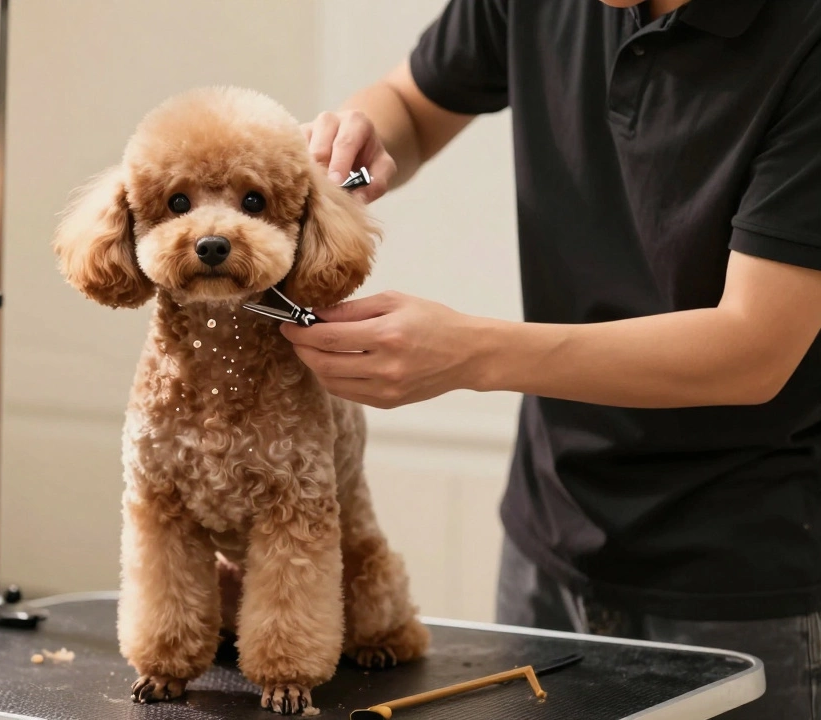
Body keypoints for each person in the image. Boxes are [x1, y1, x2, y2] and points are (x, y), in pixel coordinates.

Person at [287, 0, 821, 716]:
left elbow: (754, 349)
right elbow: (412, 106)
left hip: (744, 576)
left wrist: (470, 354)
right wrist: (360, 134)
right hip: (547, 536)